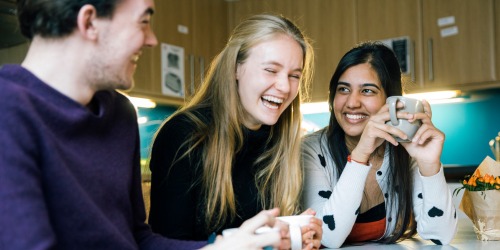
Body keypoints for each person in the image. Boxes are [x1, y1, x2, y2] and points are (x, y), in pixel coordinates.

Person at [0, 0, 289, 249]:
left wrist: (225, 246)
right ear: (89, 22)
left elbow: (138, 239)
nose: (152, 39)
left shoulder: (120, 114)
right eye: (143, 22)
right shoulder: (9, 111)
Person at [148, 14, 322, 249]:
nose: (284, 86)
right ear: (235, 69)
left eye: (294, 76)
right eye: (271, 70)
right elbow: (168, 242)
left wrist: (293, 237)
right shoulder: (184, 135)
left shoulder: (280, 141)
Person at [301, 41, 458, 248]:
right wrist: (361, 154)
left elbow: (441, 236)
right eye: (343, 89)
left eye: (367, 91)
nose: (352, 102)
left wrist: (429, 165)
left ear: (390, 101)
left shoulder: (404, 150)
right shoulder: (311, 150)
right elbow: (327, 237)